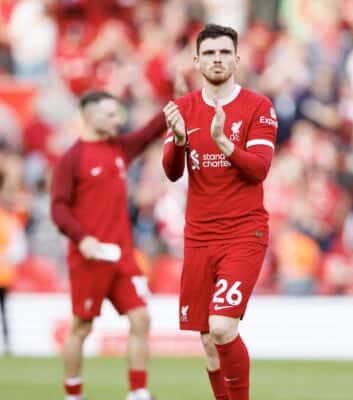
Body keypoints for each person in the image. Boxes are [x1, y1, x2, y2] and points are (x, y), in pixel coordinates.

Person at [162, 24, 277, 400]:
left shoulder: (258, 107)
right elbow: (172, 171)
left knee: (223, 326)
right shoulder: (182, 108)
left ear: (237, 60)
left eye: (224, 52)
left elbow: (259, 168)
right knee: (209, 341)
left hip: (244, 233)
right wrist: (178, 140)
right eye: (209, 53)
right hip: (198, 236)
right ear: (196, 61)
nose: (217, 59)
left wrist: (224, 142)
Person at [51, 90, 167, 400]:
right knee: (82, 327)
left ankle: (138, 392)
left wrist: (177, 105)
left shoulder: (118, 148)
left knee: (141, 318)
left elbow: (147, 135)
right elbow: (58, 208)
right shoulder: (73, 158)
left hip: (122, 257)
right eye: (111, 114)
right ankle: (73, 394)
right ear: (90, 116)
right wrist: (82, 238)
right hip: (89, 257)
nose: (118, 120)